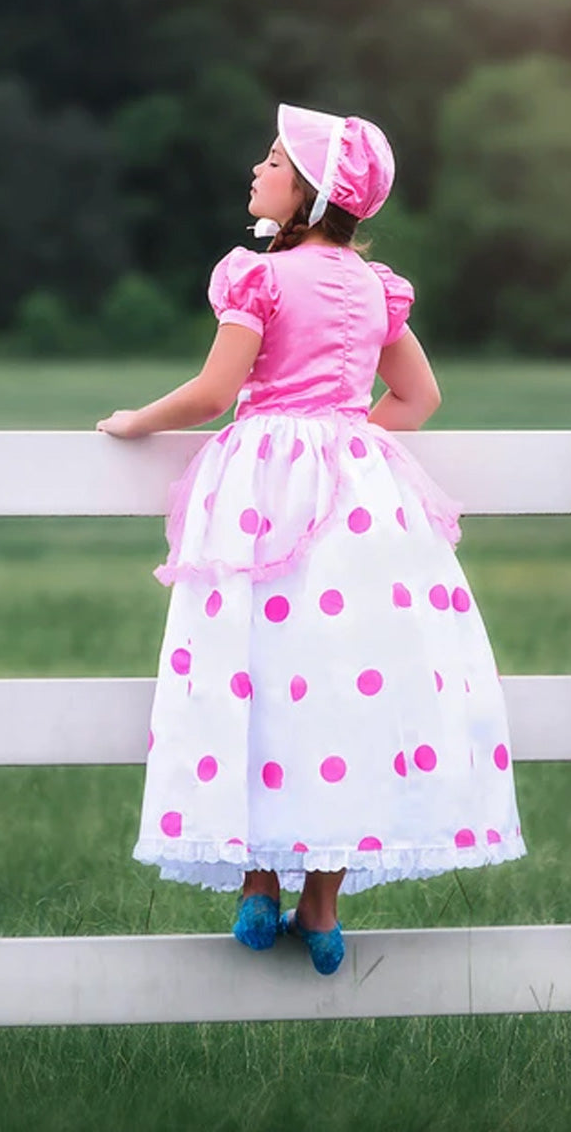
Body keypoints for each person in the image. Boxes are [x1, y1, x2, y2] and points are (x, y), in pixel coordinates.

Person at [97, 103, 526, 976]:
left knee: (256, 664)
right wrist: (346, 438)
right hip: (360, 498)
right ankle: (321, 905)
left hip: (266, 489)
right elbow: (418, 400)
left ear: (308, 195)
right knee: (345, 682)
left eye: (273, 162)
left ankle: (258, 885)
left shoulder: (256, 277)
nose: (258, 172)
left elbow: (219, 390)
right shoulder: (376, 287)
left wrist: (138, 420)